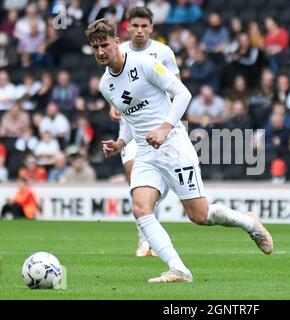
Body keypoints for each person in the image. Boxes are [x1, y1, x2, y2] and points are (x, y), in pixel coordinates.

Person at [87, 18, 273, 283]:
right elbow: (130, 117)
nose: (100, 52)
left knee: (200, 215)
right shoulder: (106, 85)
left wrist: (164, 128)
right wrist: (121, 143)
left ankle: (249, 223)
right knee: (141, 209)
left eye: (104, 45)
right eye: (95, 48)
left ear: (117, 42)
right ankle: (179, 269)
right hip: (145, 152)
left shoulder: (145, 64)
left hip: (172, 144)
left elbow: (183, 94)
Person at [108, 7, 181, 257]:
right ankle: (145, 240)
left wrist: (166, 125)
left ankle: (152, 236)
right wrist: (113, 107)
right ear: (128, 27)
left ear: (151, 28)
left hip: (160, 130)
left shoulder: (163, 52)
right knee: (135, 182)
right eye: (135, 26)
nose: (139, 31)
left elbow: (176, 88)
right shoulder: (120, 51)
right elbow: (114, 86)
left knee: (155, 190)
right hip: (129, 129)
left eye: (144, 26)